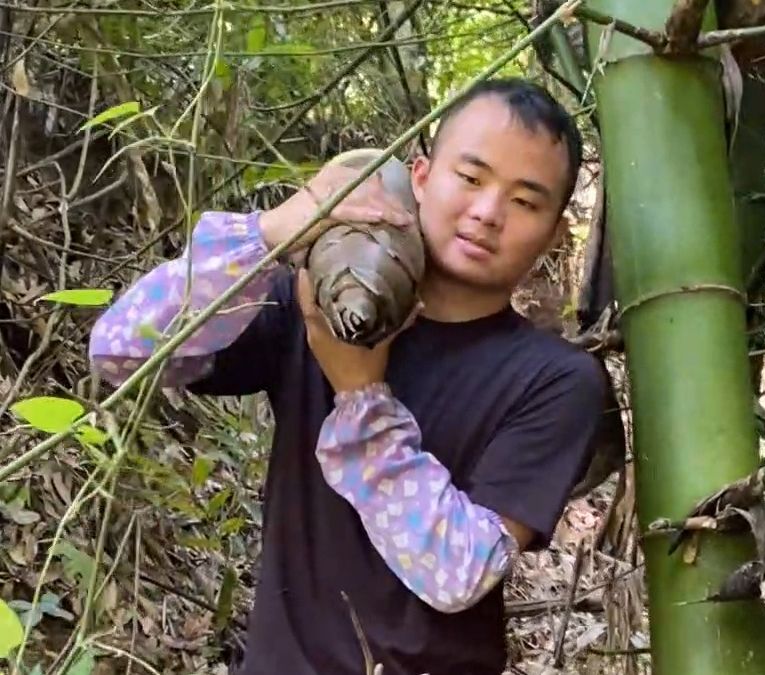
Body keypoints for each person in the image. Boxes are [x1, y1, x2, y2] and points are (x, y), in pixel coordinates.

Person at [88, 78, 609, 675]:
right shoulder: (310, 303)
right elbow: (122, 352)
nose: (487, 213)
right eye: (470, 178)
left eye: (524, 201)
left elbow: (461, 571)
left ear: (552, 229)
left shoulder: (555, 380)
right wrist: (266, 235)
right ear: (420, 176)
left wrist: (360, 392)